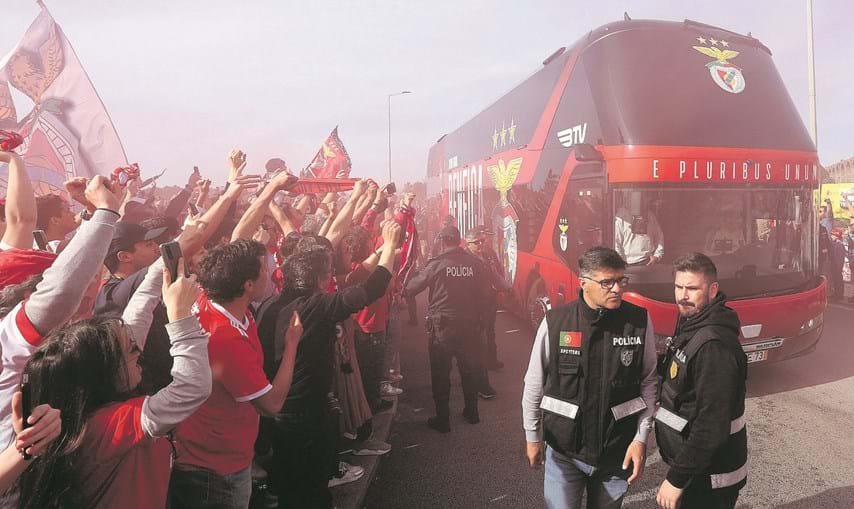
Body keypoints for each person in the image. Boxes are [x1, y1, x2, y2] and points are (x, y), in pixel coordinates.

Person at [17, 257, 211, 509]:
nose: (137, 351)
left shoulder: (89, 407)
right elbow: (192, 388)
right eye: (130, 351)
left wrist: (160, 267)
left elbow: (136, 318)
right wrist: (181, 317)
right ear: (102, 373)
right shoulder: (104, 425)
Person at [261, 221, 401, 508]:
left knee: (291, 489)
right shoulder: (315, 306)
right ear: (322, 281)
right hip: (306, 415)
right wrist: (389, 246)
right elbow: (372, 288)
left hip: (275, 414)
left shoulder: (270, 307)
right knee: (312, 489)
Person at [169, 240, 303, 509]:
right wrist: (292, 344)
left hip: (211, 449)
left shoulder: (210, 299)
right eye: (265, 270)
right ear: (247, 285)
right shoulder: (225, 338)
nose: (270, 273)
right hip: (216, 467)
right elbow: (271, 405)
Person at [522, 246, 658, 509]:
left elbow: (649, 381)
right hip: (565, 453)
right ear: (584, 283)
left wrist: (641, 438)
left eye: (621, 280)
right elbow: (534, 383)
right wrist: (532, 436)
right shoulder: (556, 322)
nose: (617, 288)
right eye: (607, 282)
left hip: (615, 454)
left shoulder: (639, 321)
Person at [655, 253, 748, 509]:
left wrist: (676, 479)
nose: (683, 295)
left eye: (692, 288)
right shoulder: (692, 320)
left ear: (713, 290)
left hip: (710, 478)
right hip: (697, 469)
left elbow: (711, 425)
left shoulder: (714, 347)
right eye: (678, 287)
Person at [403, 225, 489, 433]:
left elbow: (411, 289)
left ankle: (443, 420)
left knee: (441, 373)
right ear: (459, 241)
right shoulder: (475, 264)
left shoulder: (436, 264)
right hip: (469, 325)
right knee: (468, 370)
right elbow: (484, 294)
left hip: (443, 327)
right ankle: (472, 412)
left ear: (442, 241)